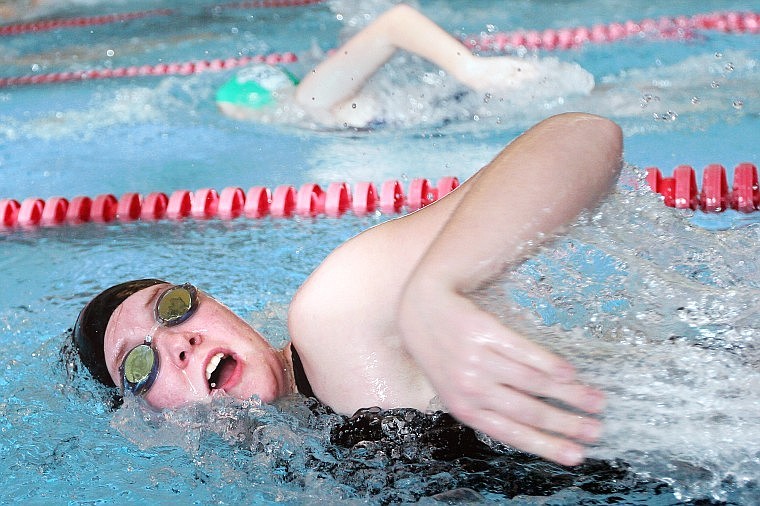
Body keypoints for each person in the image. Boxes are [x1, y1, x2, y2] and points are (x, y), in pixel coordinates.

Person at [73, 111, 623, 467]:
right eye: (140, 366)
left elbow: (583, 135)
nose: (177, 342)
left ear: (220, 308)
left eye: (174, 308)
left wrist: (436, 288)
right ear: (144, 420)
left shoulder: (335, 320)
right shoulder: (284, 460)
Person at [215, 4, 594, 128]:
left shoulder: (309, 100)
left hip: (484, 94)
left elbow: (395, 21)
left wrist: (471, 68)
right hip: (478, 106)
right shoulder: (320, 105)